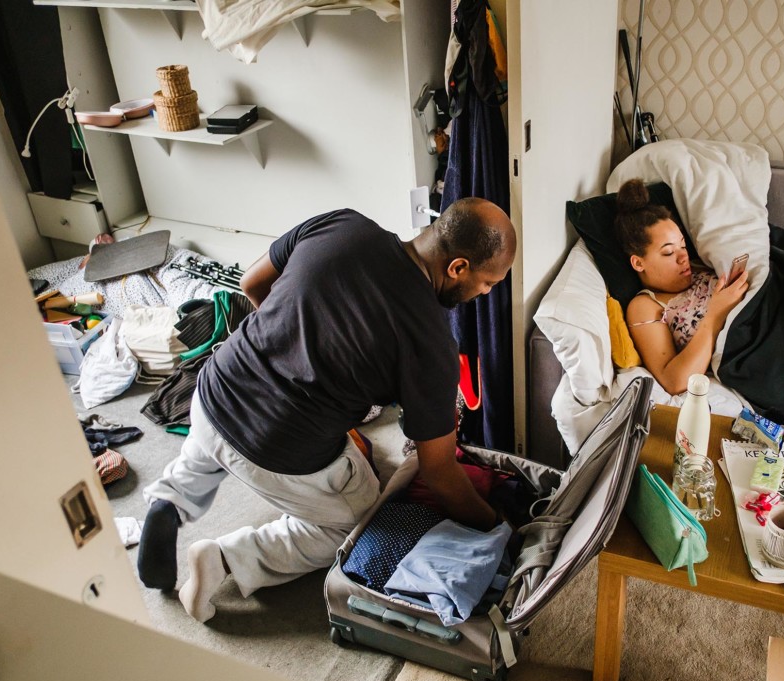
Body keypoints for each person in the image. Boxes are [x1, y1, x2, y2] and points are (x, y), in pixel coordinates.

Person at [136, 199, 517, 623]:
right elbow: (440, 473)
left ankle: (170, 499)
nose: (486, 293)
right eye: (488, 282)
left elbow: (252, 283)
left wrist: (296, 345)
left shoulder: (343, 225)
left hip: (214, 390)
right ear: (458, 267)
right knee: (353, 524)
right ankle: (226, 559)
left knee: (207, 450)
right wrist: (495, 523)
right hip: (277, 447)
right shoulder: (430, 344)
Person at [615, 178, 749, 395]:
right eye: (668, 252)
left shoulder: (702, 266)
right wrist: (714, 316)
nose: (683, 257)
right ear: (638, 262)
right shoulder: (645, 305)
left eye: (683, 245)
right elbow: (674, 381)